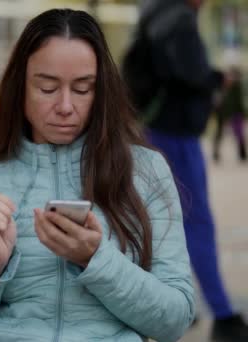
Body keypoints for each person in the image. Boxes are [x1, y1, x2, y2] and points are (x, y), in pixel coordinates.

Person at [0, 9, 194, 342]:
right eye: (47, 88)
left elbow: (175, 321)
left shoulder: (146, 171)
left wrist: (95, 260)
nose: (66, 106)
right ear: (20, 87)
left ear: (101, 92)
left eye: (83, 89)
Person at [132, 0, 248, 340]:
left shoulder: (153, 11)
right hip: (175, 133)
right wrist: (216, 78)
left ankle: (170, 301)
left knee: (152, 218)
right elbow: (188, 72)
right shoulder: (179, 19)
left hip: (151, 128)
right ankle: (223, 314)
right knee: (196, 220)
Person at [213, 66, 246, 163]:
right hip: (222, 112)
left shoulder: (237, 87)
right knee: (219, 133)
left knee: (239, 133)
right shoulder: (220, 85)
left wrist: (242, 114)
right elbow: (216, 100)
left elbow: (239, 101)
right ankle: (216, 154)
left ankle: (242, 154)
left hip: (235, 112)